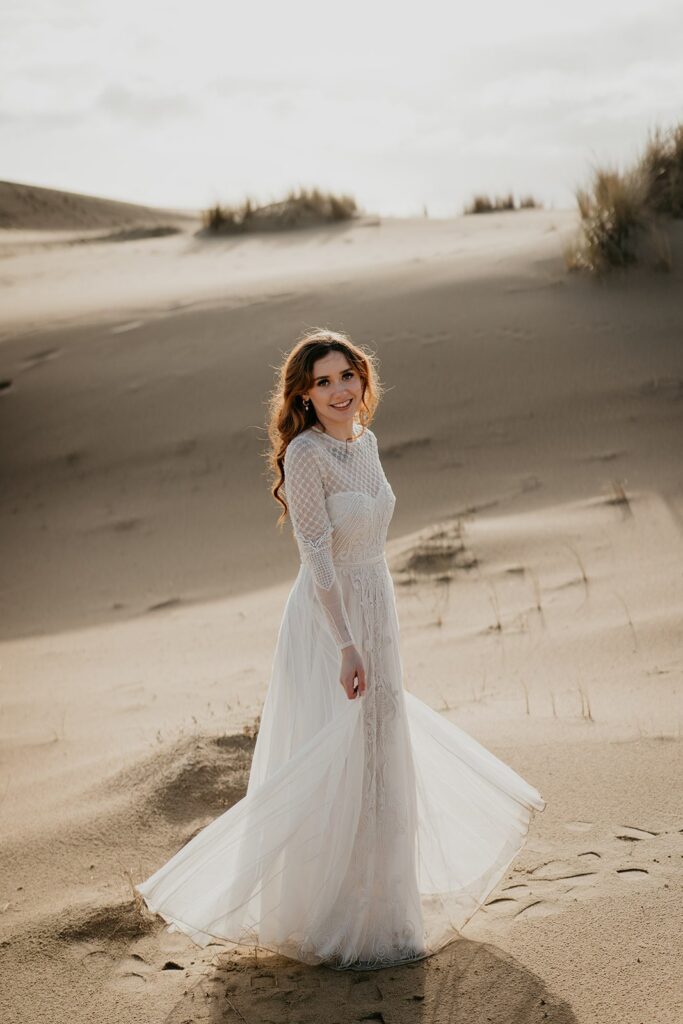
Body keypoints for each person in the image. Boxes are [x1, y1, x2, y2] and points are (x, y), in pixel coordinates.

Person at [135, 328, 546, 971]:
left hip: (377, 606)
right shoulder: (305, 455)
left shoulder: (367, 441)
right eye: (321, 382)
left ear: (362, 380)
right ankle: (328, 914)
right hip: (330, 622)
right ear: (303, 393)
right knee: (335, 754)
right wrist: (346, 645)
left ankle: (385, 913)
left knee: (381, 750)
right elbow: (317, 556)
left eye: (345, 376)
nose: (337, 391)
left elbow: (369, 536)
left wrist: (371, 627)